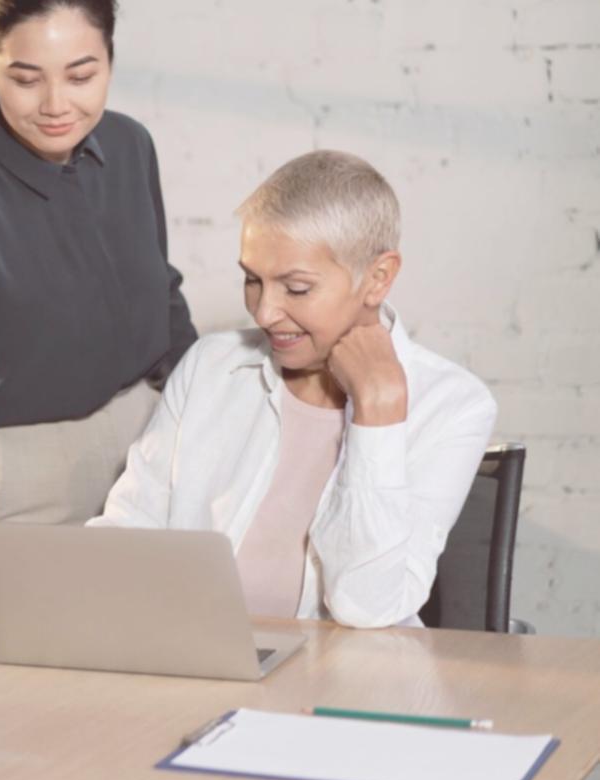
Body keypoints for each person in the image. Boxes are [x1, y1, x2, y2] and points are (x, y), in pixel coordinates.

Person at [90, 150, 497, 628]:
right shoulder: (211, 366)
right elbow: (128, 534)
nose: (264, 313)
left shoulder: (453, 406)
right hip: (195, 659)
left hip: (349, 681)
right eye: (252, 280)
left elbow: (367, 608)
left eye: (297, 288)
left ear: (378, 278)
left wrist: (377, 414)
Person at [0, 0, 196, 628]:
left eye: (81, 74)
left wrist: (216, 425)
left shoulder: (129, 146)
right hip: (27, 479)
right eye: (25, 77)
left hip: (148, 452)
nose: (56, 104)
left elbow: (164, 294)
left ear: (111, 65)